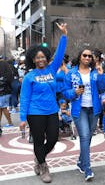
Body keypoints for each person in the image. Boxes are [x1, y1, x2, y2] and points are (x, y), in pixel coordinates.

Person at [19, 23, 68, 183]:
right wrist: (22, 118)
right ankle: (43, 165)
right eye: (37, 57)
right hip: (35, 113)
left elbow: (60, 55)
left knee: (53, 138)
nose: (40, 59)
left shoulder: (52, 69)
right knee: (38, 141)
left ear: (46, 58)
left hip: (52, 111)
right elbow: (24, 98)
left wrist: (64, 36)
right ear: (33, 60)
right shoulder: (29, 77)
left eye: (43, 57)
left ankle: (39, 158)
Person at [63, 48, 105, 181]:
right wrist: (74, 92)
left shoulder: (95, 72)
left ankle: (81, 162)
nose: (87, 58)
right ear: (80, 56)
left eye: (90, 56)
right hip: (79, 109)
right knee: (84, 136)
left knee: (87, 138)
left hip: (94, 109)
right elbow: (65, 92)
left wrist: (101, 75)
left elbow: (103, 88)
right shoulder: (71, 73)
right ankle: (87, 169)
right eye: (85, 55)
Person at [0, 55, 14, 135]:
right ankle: (9, 122)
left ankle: (10, 122)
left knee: (3, 107)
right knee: (2, 107)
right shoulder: (6, 65)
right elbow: (9, 77)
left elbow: (6, 78)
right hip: (6, 90)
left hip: (3, 90)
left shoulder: (3, 65)